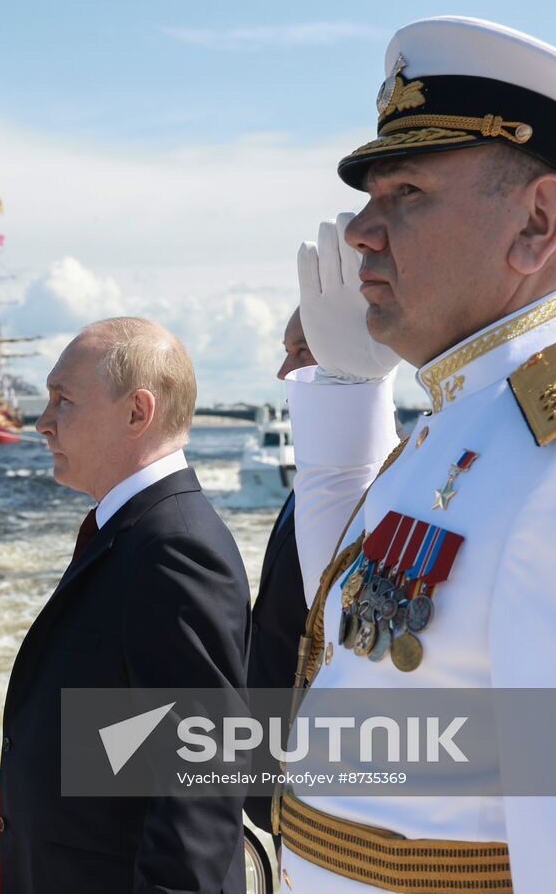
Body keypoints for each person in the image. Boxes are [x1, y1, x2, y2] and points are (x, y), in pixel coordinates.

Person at [279, 16, 556, 891]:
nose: (362, 229)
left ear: (535, 223)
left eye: (405, 192)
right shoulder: (473, 413)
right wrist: (342, 385)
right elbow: (366, 632)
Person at [0, 317, 251, 894]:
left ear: (138, 412)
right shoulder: (135, 533)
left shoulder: (173, 548)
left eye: (62, 401)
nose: (42, 423)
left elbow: (204, 778)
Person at [241, 308, 316, 848]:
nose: (282, 371)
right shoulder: (311, 479)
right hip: (273, 780)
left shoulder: (377, 481)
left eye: (301, 351)